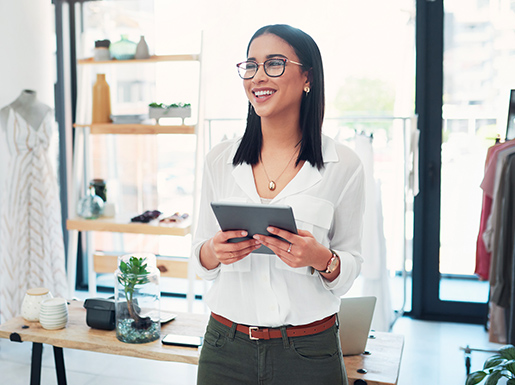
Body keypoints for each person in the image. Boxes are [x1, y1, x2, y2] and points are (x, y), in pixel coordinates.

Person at [192, 24, 365, 385]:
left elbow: (349, 266)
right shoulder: (219, 160)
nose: (257, 77)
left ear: (308, 78)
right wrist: (213, 250)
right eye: (250, 65)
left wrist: (320, 258)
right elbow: (201, 260)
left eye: (274, 64)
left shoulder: (343, 165)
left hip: (308, 353)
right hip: (225, 347)